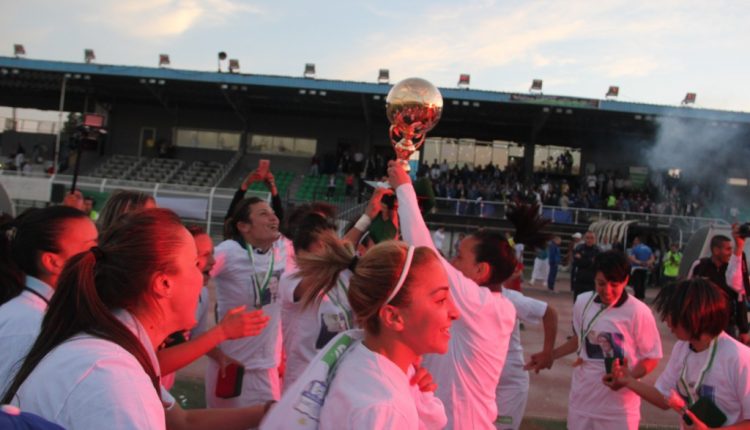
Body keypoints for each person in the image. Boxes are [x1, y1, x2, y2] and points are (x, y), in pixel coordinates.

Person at [1, 209, 201, 428]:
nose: (202, 275)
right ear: (163, 284)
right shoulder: (116, 379)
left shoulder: (104, 353)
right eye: (194, 264)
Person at [262, 240, 457, 429]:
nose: (456, 312)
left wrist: (417, 394)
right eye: (440, 300)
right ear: (393, 317)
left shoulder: (356, 350)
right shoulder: (385, 410)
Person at [389, 160, 517, 429]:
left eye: (459, 257)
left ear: (481, 270)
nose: (453, 263)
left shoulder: (481, 304)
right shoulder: (497, 306)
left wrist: (404, 187)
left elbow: (426, 255)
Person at [611, 278, 750, 429]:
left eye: (671, 313)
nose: (666, 320)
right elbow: (664, 397)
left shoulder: (740, 358)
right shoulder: (682, 348)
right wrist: (628, 380)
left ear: (694, 314)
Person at [550, 250, 662, 430]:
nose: (607, 291)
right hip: (582, 403)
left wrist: (627, 378)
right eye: (601, 283)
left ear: (626, 281)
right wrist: (550, 355)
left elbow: (652, 357)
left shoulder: (638, 312)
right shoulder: (582, 302)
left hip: (618, 410)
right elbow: (580, 339)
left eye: (614, 284)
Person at [158, 225, 270, 390]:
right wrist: (222, 332)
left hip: (163, 388)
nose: (213, 261)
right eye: (204, 255)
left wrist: (219, 356)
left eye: (212, 253)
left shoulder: (202, 294)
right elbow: (154, 364)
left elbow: (196, 336)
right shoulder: (159, 302)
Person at [0, 207, 98, 389]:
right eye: (91, 248)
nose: (100, 257)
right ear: (52, 262)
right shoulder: (29, 325)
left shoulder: (39, 315)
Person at [210, 197, 295, 407]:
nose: (273, 217)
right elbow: (195, 275)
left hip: (268, 367)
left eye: (272, 212)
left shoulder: (284, 247)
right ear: (244, 226)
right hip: (232, 366)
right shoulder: (228, 252)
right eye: (263, 214)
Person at [278, 205, 353, 389]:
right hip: (302, 384)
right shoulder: (291, 278)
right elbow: (317, 276)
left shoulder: (344, 277)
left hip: (339, 382)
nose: (332, 248)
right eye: (326, 243)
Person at [690, 235, 750, 344]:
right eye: (727, 249)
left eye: (731, 249)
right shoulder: (699, 266)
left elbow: (740, 300)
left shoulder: (733, 270)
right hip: (702, 324)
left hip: (727, 326)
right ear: (716, 250)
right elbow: (688, 295)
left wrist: (744, 330)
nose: (731, 252)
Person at [572, 231, 601, 301]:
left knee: (590, 304)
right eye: (587, 238)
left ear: (595, 239)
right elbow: (576, 262)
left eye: (592, 238)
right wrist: (590, 260)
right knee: (578, 303)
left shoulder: (598, 250)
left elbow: (598, 265)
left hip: (592, 282)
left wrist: (582, 258)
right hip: (580, 281)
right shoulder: (579, 248)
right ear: (584, 239)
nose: (589, 240)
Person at [628, 236, 654, 300]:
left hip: (636, 268)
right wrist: (647, 263)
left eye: (635, 240)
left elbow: (632, 258)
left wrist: (640, 262)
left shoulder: (635, 248)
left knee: (637, 283)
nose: (634, 241)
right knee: (643, 283)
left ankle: (637, 297)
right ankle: (642, 297)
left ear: (638, 241)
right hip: (645, 269)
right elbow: (652, 258)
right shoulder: (648, 248)